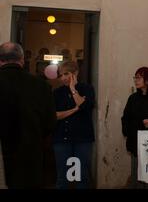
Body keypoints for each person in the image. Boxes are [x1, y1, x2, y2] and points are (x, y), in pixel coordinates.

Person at [0, 42, 56, 188]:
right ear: (22, 60)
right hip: (30, 155)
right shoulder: (41, 86)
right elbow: (50, 123)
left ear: (0, 60)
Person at [53, 61, 95, 189]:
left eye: (66, 74)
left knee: (82, 176)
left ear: (75, 73)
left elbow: (84, 105)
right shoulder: (57, 92)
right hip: (61, 139)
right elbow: (55, 115)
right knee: (62, 177)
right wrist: (74, 110)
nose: (64, 78)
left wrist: (72, 88)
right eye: (61, 75)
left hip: (82, 140)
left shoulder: (87, 89)